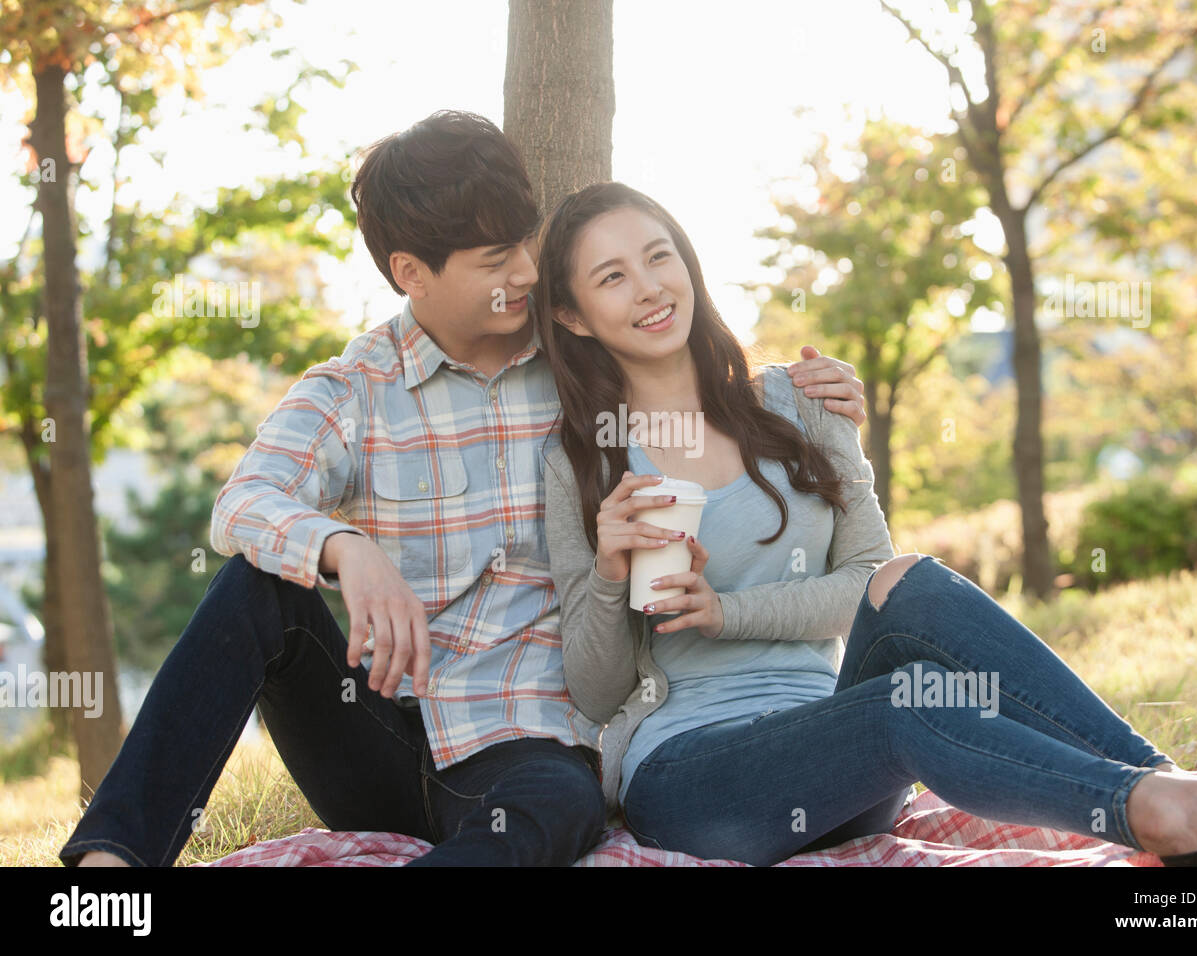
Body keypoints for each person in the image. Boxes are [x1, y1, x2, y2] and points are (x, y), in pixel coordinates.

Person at [59, 111, 867, 868]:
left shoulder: (578, 368)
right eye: (493, 262)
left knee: (561, 805)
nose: (523, 272)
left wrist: (806, 390)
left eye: (524, 244)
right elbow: (242, 506)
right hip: (375, 727)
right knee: (252, 587)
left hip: (524, 745)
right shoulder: (355, 389)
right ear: (411, 273)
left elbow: (691, 373)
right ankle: (111, 867)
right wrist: (346, 547)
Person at [535, 179, 1197, 867]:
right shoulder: (583, 461)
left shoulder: (801, 399)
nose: (648, 288)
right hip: (698, 779)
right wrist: (609, 571)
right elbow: (597, 696)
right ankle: (1159, 811)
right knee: (908, 700)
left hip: (845, 752)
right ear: (572, 315)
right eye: (612, 277)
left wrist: (728, 610)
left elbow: (868, 583)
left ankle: (1164, 780)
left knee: (911, 582)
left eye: (658, 256)